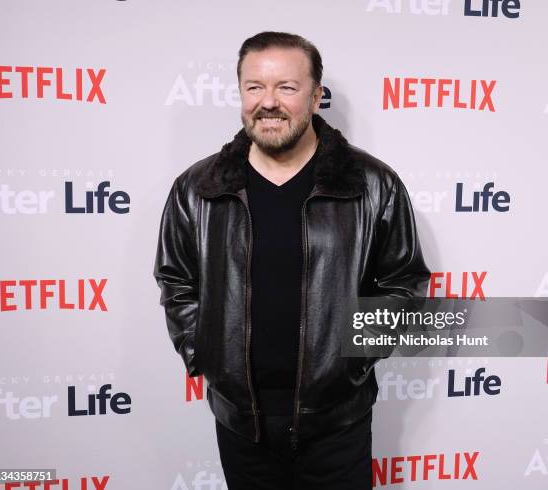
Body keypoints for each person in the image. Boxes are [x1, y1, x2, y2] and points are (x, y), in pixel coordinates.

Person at [154, 31, 430, 490]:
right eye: (254, 87)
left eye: (287, 87)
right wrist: (204, 354)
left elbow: (404, 283)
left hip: (337, 423)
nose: (268, 103)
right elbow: (176, 281)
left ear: (317, 95)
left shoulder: (372, 184)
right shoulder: (199, 188)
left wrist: (352, 364)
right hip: (243, 424)